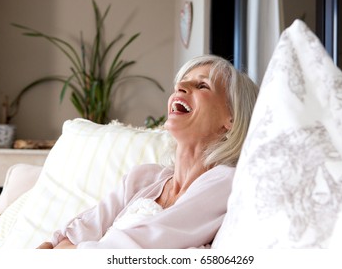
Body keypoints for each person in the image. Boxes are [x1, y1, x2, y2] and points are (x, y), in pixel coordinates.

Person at [37, 54, 259, 249]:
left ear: (231, 119)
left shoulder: (226, 181)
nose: (181, 86)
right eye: (181, 83)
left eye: (202, 85)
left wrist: (68, 253)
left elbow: (144, 245)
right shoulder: (143, 178)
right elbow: (80, 230)